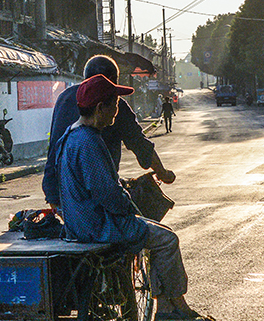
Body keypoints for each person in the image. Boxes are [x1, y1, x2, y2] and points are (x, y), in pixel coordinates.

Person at [52, 74, 217, 321]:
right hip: (98, 227)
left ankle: (168, 305)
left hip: (79, 223)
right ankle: (173, 308)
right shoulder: (89, 142)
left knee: (154, 232)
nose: (118, 111)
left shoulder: (70, 136)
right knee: (166, 239)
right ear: (100, 108)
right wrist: (131, 206)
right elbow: (107, 194)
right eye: (115, 104)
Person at [43, 54, 175, 208]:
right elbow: (141, 146)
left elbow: (53, 149)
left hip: (61, 194)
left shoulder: (65, 99)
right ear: (100, 109)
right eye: (114, 103)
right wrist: (162, 173)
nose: (115, 108)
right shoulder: (97, 126)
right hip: (96, 201)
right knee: (155, 231)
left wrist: (53, 196)